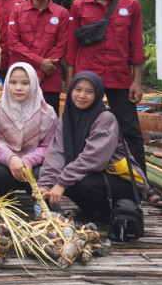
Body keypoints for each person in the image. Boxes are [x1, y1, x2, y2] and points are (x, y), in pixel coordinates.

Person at [65, 0, 162, 208]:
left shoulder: (130, 5)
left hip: (120, 78)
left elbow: (136, 46)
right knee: (81, 130)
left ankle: (142, 185)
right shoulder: (79, 6)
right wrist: (71, 83)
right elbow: (72, 47)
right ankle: (78, 181)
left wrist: (137, 81)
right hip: (88, 79)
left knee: (130, 131)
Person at [39, 72, 148, 219]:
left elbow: (93, 158)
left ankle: (107, 213)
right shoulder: (67, 118)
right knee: (68, 179)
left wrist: (61, 183)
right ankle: (93, 212)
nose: (82, 96)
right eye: (77, 90)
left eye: (89, 92)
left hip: (123, 180)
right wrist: (45, 185)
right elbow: (57, 152)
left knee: (79, 182)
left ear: (98, 95)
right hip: (96, 177)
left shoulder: (105, 118)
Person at [0, 62, 58, 197]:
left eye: (25, 83)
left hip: (34, 165)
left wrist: (28, 161)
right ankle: (8, 198)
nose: (18, 88)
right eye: (13, 83)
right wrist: (10, 158)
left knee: (42, 173)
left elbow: (48, 146)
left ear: (34, 84)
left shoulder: (48, 113)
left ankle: (38, 200)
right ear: (6, 84)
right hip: (6, 164)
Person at [8, 0, 69, 113]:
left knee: (48, 124)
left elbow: (61, 47)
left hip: (49, 80)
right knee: (16, 121)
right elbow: (13, 43)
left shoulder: (62, 13)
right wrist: (39, 63)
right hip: (19, 80)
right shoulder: (17, 11)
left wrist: (40, 75)